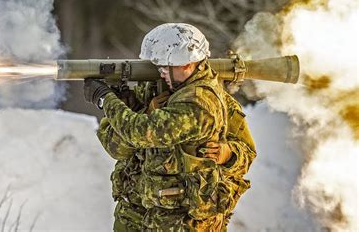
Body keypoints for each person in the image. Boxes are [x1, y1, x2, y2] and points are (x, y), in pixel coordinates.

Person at [84, 23, 256, 231]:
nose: (161, 72)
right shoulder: (157, 89)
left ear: (186, 64)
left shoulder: (201, 103)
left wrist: (106, 100)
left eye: (166, 66)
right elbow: (115, 147)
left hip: (183, 223)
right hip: (137, 215)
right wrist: (140, 110)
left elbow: (140, 132)